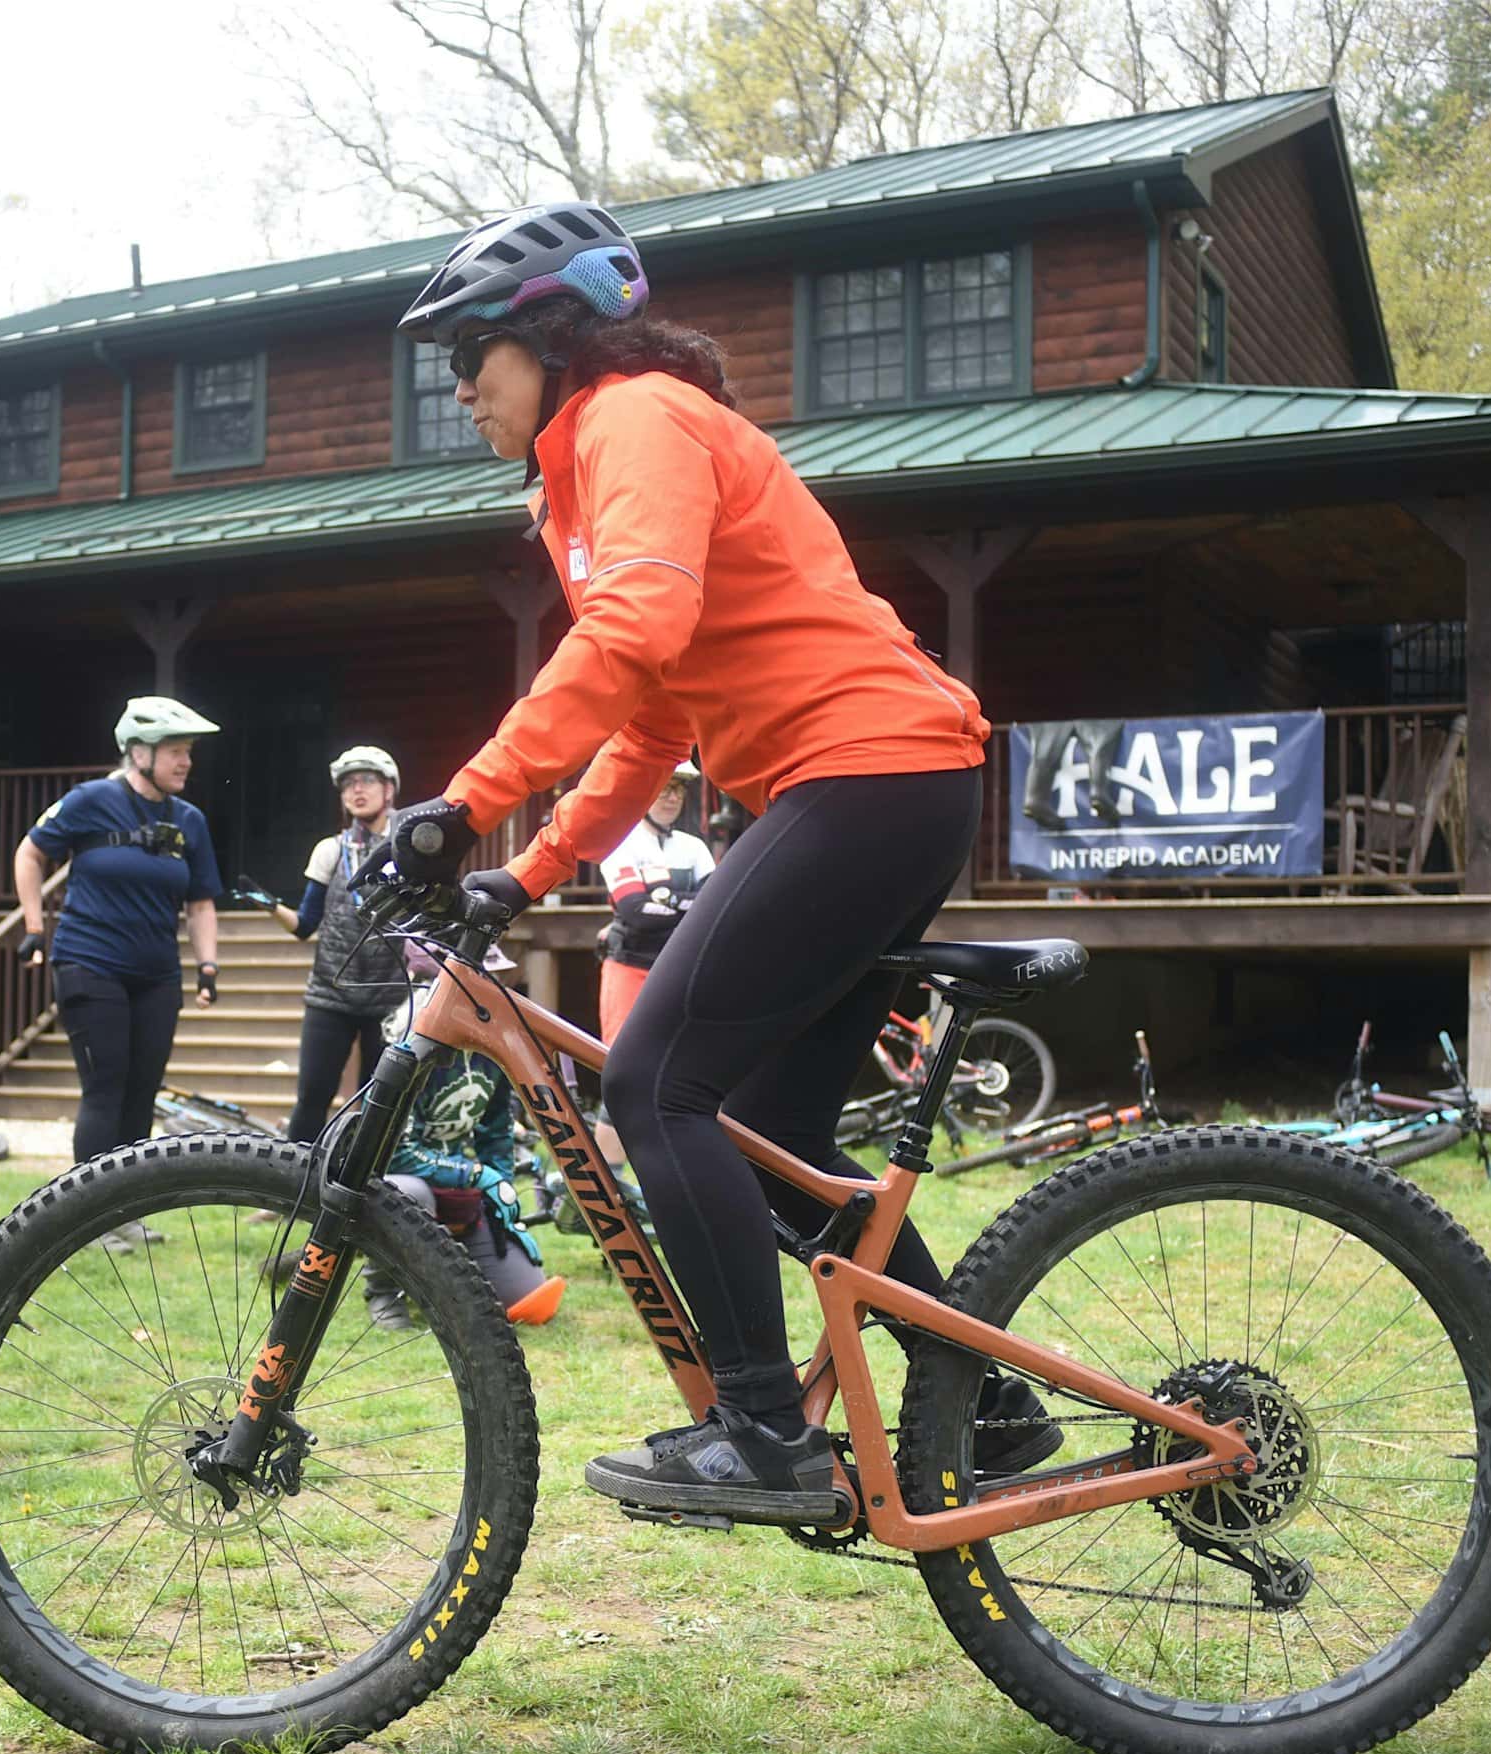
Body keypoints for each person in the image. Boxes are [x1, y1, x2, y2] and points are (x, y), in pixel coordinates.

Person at [382, 202, 1060, 1524]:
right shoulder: (589, 468)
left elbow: (636, 629)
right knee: (770, 1140)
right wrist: (527, 872)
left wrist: (466, 802)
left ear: (552, 337)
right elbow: (653, 719)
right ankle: (983, 1398)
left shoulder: (632, 418)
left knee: (654, 1082)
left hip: (864, 773)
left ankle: (762, 1433)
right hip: (883, 781)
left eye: (474, 352)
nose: (457, 387)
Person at [15, 698, 223, 1245]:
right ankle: (89, 1218)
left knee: (140, 1091)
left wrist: (207, 964)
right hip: (90, 962)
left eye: (188, 753)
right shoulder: (92, 800)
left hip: (157, 974)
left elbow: (201, 902)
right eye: (176, 752)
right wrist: (35, 925)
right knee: (105, 1087)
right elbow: (30, 854)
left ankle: (126, 1212)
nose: (186, 763)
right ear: (138, 752)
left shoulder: (190, 821)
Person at [372, 943, 565, 1331]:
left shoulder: (491, 1042)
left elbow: (495, 1132)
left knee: (526, 1300)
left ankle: (449, 1263)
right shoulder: (407, 1044)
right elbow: (393, 1153)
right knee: (410, 1193)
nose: (492, 988)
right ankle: (383, 1291)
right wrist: (477, 1176)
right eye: (478, 980)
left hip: (457, 1181)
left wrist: (501, 1191)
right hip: (397, 1179)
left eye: (493, 978)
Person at [237, 747, 410, 1143]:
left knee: (379, 1102)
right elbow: (304, 926)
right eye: (348, 785)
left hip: (390, 998)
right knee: (312, 1097)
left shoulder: (407, 850)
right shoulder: (330, 850)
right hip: (331, 995)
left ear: (389, 790)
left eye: (367, 781)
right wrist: (267, 904)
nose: (356, 790)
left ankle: (368, 1190)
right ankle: (292, 1186)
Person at [592, 759, 712, 1171]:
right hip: (629, 969)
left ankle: (664, 1176)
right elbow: (635, 913)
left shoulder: (693, 848)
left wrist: (663, 902)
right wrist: (685, 904)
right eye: (664, 786)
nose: (671, 796)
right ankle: (607, 1184)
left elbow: (710, 911)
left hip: (678, 972)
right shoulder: (622, 842)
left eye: (679, 789)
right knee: (622, 1075)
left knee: (679, 1073)